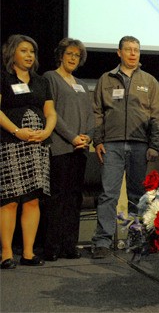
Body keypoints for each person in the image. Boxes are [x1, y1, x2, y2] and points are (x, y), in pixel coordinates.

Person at [91, 36, 159, 259]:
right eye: (128, 50)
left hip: (140, 146)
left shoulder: (149, 81)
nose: (133, 54)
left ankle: (137, 239)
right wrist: (98, 141)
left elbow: (157, 115)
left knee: (138, 195)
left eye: (137, 50)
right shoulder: (106, 79)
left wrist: (154, 145)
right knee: (108, 194)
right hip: (111, 145)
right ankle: (102, 241)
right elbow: (97, 112)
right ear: (119, 53)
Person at [0, 34, 57, 269]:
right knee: (10, 200)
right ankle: (5, 254)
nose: (29, 55)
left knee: (33, 200)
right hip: (11, 143)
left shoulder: (41, 81)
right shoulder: (4, 78)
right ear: (12, 53)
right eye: (24, 51)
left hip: (37, 146)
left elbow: (51, 113)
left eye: (32, 52)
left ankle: (28, 252)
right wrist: (16, 131)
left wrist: (45, 132)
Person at [42, 38, 94, 261]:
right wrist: (72, 137)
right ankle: (51, 247)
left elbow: (90, 115)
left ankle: (69, 245)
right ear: (61, 55)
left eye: (77, 56)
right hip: (61, 147)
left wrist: (87, 136)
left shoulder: (81, 84)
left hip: (80, 149)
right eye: (69, 54)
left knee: (74, 198)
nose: (73, 58)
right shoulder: (50, 78)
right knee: (57, 197)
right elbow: (52, 113)